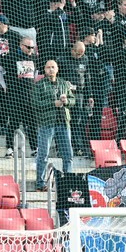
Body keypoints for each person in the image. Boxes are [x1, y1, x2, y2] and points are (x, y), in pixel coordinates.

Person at [33, 59, 77, 190]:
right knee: (43, 155)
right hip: (47, 124)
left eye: (53, 67)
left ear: (57, 69)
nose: (51, 69)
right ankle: (40, 184)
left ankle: (68, 182)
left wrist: (66, 101)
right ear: (45, 70)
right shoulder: (39, 85)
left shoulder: (64, 83)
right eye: (48, 67)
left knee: (68, 154)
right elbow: (35, 104)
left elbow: (73, 100)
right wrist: (53, 104)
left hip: (63, 123)